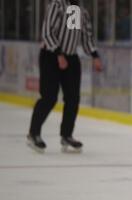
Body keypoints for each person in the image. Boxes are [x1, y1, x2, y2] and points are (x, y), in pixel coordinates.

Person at [27, 0, 102, 153]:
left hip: (71, 57)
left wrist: (95, 55)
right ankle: (33, 133)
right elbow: (47, 32)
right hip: (51, 56)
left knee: (73, 98)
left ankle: (66, 134)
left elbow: (84, 36)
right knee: (49, 97)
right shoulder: (57, 5)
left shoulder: (78, 10)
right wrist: (59, 54)